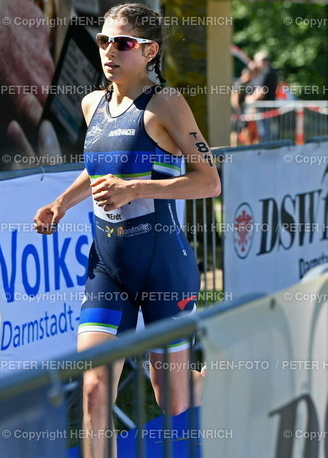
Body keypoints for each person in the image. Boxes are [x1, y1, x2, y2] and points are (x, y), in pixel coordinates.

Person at [33, 3, 220, 457]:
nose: (109, 51)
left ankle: (225, 388)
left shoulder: (167, 104)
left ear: (150, 51)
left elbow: (209, 180)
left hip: (162, 267)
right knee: (95, 385)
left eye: (123, 43)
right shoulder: (91, 102)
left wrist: (136, 188)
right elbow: (98, 168)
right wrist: (61, 202)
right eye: (103, 41)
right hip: (108, 267)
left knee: (171, 397)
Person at [245, 51, 279, 143]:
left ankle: (267, 149)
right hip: (265, 106)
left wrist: (251, 99)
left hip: (264, 106)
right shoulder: (268, 72)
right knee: (265, 130)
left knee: (265, 131)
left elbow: (262, 91)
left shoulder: (266, 72)